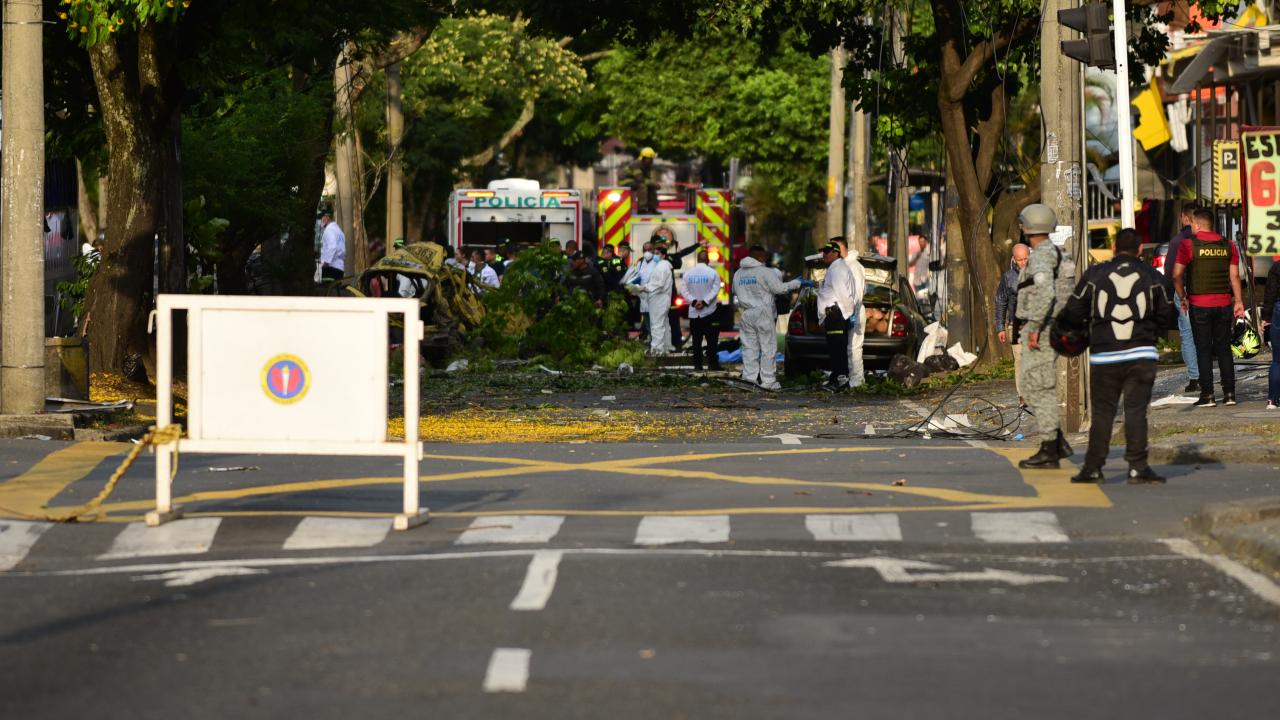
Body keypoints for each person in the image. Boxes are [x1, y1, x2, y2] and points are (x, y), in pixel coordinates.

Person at [1058, 229, 1177, 484]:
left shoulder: (1094, 275)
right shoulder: (1154, 277)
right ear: (1141, 248)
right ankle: (1137, 467)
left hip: (1105, 355)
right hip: (1141, 354)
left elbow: (1072, 311)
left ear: (1114, 248)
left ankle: (1093, 468)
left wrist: (1084, 330)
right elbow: (1169, 317)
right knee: (1135, 411)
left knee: (1103, 413)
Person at [1015, 203, 1074, 469]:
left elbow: (1046, 292)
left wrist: (1036, 327)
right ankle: (1056, 442)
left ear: (1028, 227)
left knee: (1036, 387)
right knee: (1035, 385)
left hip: (1041, 327)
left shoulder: (1040, 255)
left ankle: (1051, 445)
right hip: (1051, 325)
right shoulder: (1057, 252)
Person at [1172, 207, 1247, 407]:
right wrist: (1238, 301)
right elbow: (1234, 277)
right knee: (1223, 349)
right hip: (1223, 304)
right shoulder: (1228, 245)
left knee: (1203, 349)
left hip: (1199, 304)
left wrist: (1182, 296)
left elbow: (1176, 275)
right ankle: (1230, 394)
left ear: (1196, 224)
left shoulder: (1188, 245)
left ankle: (1208, 395)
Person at [733, 245, 808, 389]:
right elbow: (779, 289)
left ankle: (749, 379)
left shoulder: (738, 274)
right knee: (768, 347)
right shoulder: (765, 272)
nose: (766, 258)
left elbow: (735, 291)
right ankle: (768, 381)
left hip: (746, 313)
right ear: (760, 256)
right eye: (764, 256)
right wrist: (797, 283)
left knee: (749, 347)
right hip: (763, 312)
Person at [1165, 203, 1201, 393]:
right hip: (1206, 291)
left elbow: (1171, 272)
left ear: (1185, 217)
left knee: (1187, 335)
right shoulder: (1211, 239)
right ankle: (1208, 375)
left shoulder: (1178, 241)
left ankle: (1195, 378)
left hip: (1184, 292)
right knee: (1205, 332)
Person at [817, 241, 857, 389]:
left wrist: (846, 314)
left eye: (827, 252)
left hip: (836, 314)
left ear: (836, 253)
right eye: (823, 252)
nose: (824, 255)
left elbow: (843, 294)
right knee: (834, 347)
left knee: (838, 348)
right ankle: (836, 376)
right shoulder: (835, 268)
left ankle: (842, 379)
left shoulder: (837, 270)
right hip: (834, 314)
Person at [996, 243, 1031, 405]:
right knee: (1020, 359)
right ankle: (1023, 395)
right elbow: (1001, 302)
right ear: (1013, 260)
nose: (1023, 262)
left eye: (1026, 258)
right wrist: (1000, 327)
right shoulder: (1008, 278)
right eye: (1020, 260)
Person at [830, 237, 867, 388]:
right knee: (846, 349)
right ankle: (847, 379)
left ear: (840, 248)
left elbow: (857, 293)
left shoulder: (854, 267)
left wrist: (851, 312)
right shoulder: (842, 266)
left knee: (854, 349)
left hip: (854, 313)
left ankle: (857, 382)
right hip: (844, 313)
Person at [681, 250, 723, 371]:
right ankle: (713, 365)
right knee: (712, 340)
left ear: (697, 259)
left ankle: (698, 366)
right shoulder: (713, 273)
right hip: (710, 311)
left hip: (695, 314)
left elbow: (684, 291)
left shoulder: (688, 274)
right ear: (708, 260)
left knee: (696, 341)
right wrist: (704, 302)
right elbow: (715, 290)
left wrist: (694, 302)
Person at [630, 244, 674, 354]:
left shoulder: (661, 267)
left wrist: (643, 288)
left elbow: (658, 284)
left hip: (659, 300)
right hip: (660, 299)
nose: (655, 255)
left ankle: (657, 350)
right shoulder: (662, 266)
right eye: (654, 253)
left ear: (664, 255)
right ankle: (665, 348)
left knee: (656, 326)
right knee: (663, 325)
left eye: (657, 254)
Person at [1263, 260, 1280, 410]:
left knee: (1277, 360)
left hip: (1278, 311)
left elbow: (1270, 293)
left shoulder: (1277, 267)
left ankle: (1272, 400)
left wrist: (1266, 317)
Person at [624, 147, 660, 214]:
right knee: (642, 186)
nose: (651, 160)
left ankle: (652, 209)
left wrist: (653, 184)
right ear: (643, 158)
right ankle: (641, 209)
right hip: (626, 182)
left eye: (652, 158)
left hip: (636, 181)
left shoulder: (647, 165)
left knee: (651, 187)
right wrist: (653, 183)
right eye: (649, 158)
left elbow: (648, 179)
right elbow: (640, 179)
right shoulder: (636, 164)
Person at [319, 210, 346, 281]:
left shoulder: (329, 230)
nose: (321, 220)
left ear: (327, 218)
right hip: (340, 268)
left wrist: (326, 263)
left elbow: (332, 246)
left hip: (330, 268)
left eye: (322, 218)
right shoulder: (339, 231)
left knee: (327, 291)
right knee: (336, 291)